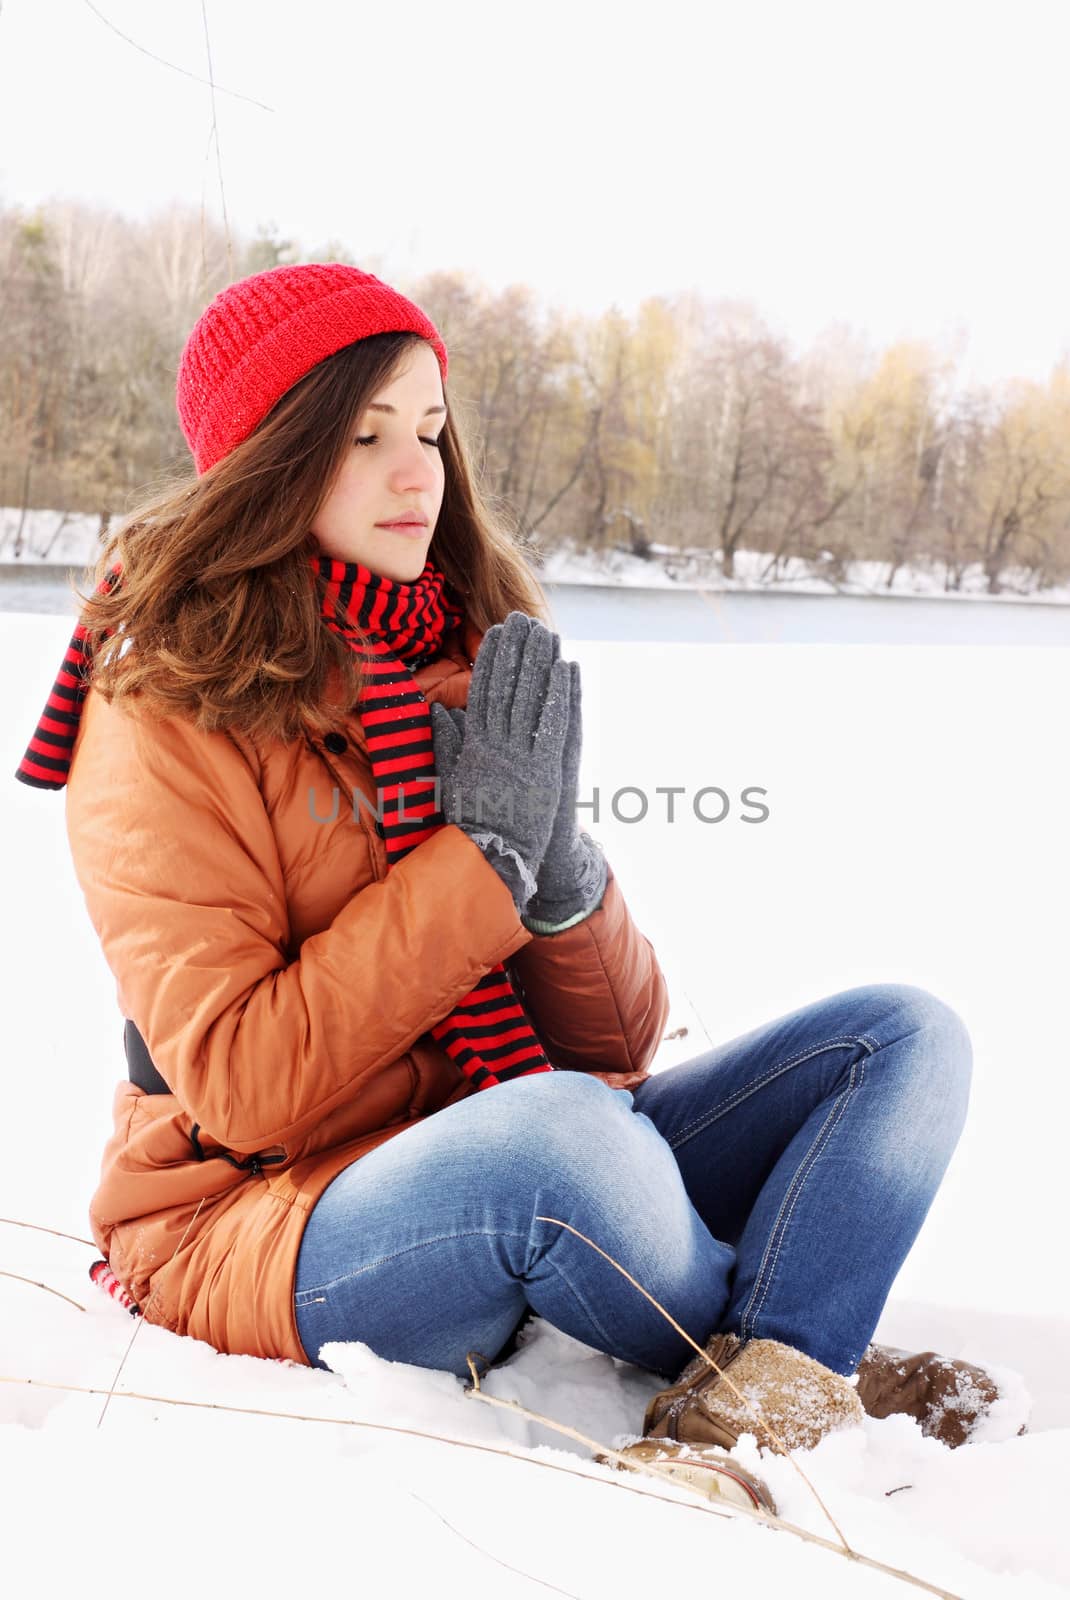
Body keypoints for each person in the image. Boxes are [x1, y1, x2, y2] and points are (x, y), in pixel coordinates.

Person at [15, 263, 1011, 1516]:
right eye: (363, 435)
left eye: (429, 429)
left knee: (902, 1037)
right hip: (265, 1211)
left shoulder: (463, 653)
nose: (414, 471)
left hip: (507, 1137)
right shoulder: (161, 704)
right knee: (563, 1134)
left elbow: (616, 1042)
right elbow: (242, 1082)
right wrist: (478, 861)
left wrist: (559, 876)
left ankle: (769, 1379)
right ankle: (811, 1357)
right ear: (268, 459)